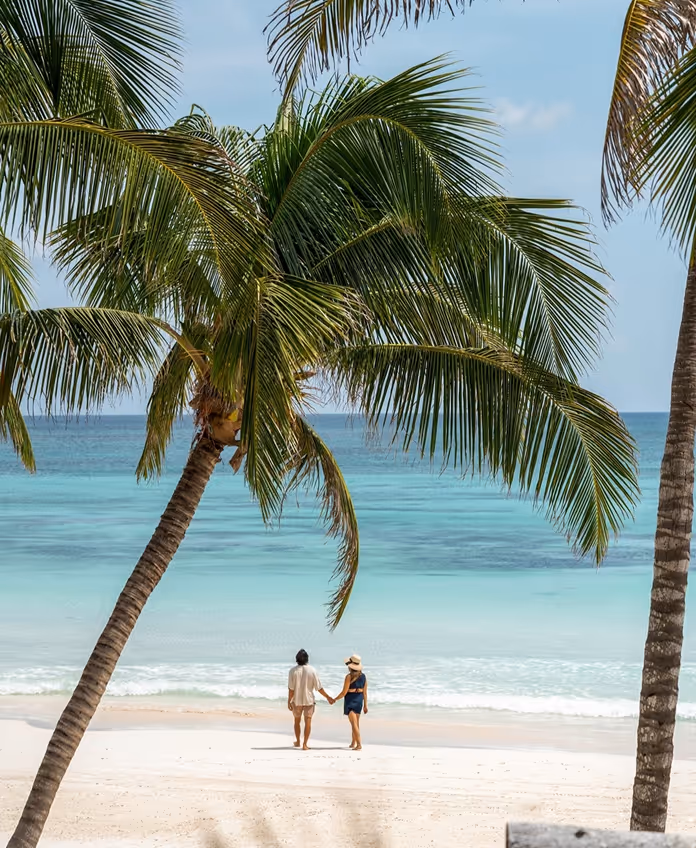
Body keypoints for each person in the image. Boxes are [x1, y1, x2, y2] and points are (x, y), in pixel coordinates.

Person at [287, 649, 333, 750]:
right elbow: (319, 688)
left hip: (297, 700)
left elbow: (291, 689)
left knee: (297, 721)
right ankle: (305, 744)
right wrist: (328, 697)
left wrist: (289, 701)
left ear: (296, 659)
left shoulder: (292, 671)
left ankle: (298, 741)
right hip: (309, 701)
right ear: (307, 659)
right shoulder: (312, 670)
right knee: (308, 722)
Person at [333, 654, 368, 750]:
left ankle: (359, 744)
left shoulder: (349, 677)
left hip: (351, 700)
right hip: (359, 700)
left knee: (354, 723)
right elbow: (365, 693)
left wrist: (335, 699)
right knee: (355, 723)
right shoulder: (364, 676)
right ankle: (353, 742)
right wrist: (365, 705)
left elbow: (344, 692)